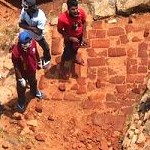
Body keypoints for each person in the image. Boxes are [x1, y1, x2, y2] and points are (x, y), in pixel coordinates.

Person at [12, 31, 44, 111]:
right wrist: (20, 78)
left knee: (33, 81)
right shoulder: (15, 52)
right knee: (21, 88)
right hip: (22, 72)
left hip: (31, 69)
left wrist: (39, 61)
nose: (28, 45)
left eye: (29, 42)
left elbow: (35, 52)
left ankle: (34, 92)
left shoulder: (33, 43)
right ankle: (21, 102)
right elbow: (16, 66)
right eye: (25, 43)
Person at [57, 0, 87, 79]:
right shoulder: (62, 19)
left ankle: (74, 57)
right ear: (68, 9)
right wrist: (70, 38)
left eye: (76, 8)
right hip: (69, 40)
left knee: (75, 49)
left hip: (79, 37)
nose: (76, 11)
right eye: (73, 9)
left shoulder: (81, 12)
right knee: (67, 55)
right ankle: (64, 68)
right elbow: (59, 30)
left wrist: (83, 37)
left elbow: (84, 23)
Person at [19, 0, 51, 69]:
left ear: (31, 7)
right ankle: (33, 61)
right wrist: (33, 28)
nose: (24, 8)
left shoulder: (41, 16)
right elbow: (20, 24)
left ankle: (46, 59)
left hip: (38, 36)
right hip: (27, 35)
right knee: (28, 48)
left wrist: (27, 26)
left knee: (46, 48)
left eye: (25, 7)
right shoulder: (24, 11)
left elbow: (39, 32)